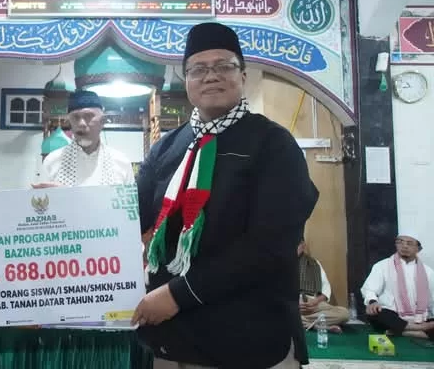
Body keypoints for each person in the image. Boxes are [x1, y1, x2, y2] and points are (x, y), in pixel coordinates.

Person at [134, 22, 319, 369]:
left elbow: (270, 245)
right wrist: (70, 208)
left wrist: (178, 294)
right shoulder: (166, 148)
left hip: (249, 342)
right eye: (198, 69)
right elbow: (132, 214)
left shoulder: (273, 144)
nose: (211, 76)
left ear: (243, 75)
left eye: (224, 66)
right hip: (171, 341)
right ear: (187, 80)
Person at [34, 90, 135, 188]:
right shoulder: (52, 162)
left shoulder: (121, 162)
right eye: (75, 117)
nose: (81, 123)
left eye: (88, 116)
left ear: (102, 121)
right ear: (69, 122)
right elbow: (41, 198)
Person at [362, 232, 434, 340]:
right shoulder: (382, 266)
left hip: (420, 317)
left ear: (418, 249)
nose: (404, 246)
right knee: (377, 314)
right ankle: (421, 330)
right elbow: (369, 289)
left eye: (409, 243)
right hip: (392, 314)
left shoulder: (428, 272)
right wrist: (373, 302)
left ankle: (403, 331)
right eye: (400, 242)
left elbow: (432, 299)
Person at [297, 239, 349, 333]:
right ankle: (316, 326)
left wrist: (314, 302)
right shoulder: (280, 263)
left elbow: (326, 290)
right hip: (291, 305)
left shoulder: (314, 263)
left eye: (297, 244)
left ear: (303, 245)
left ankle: (303, 322)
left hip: (313, 305)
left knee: (344, 313)